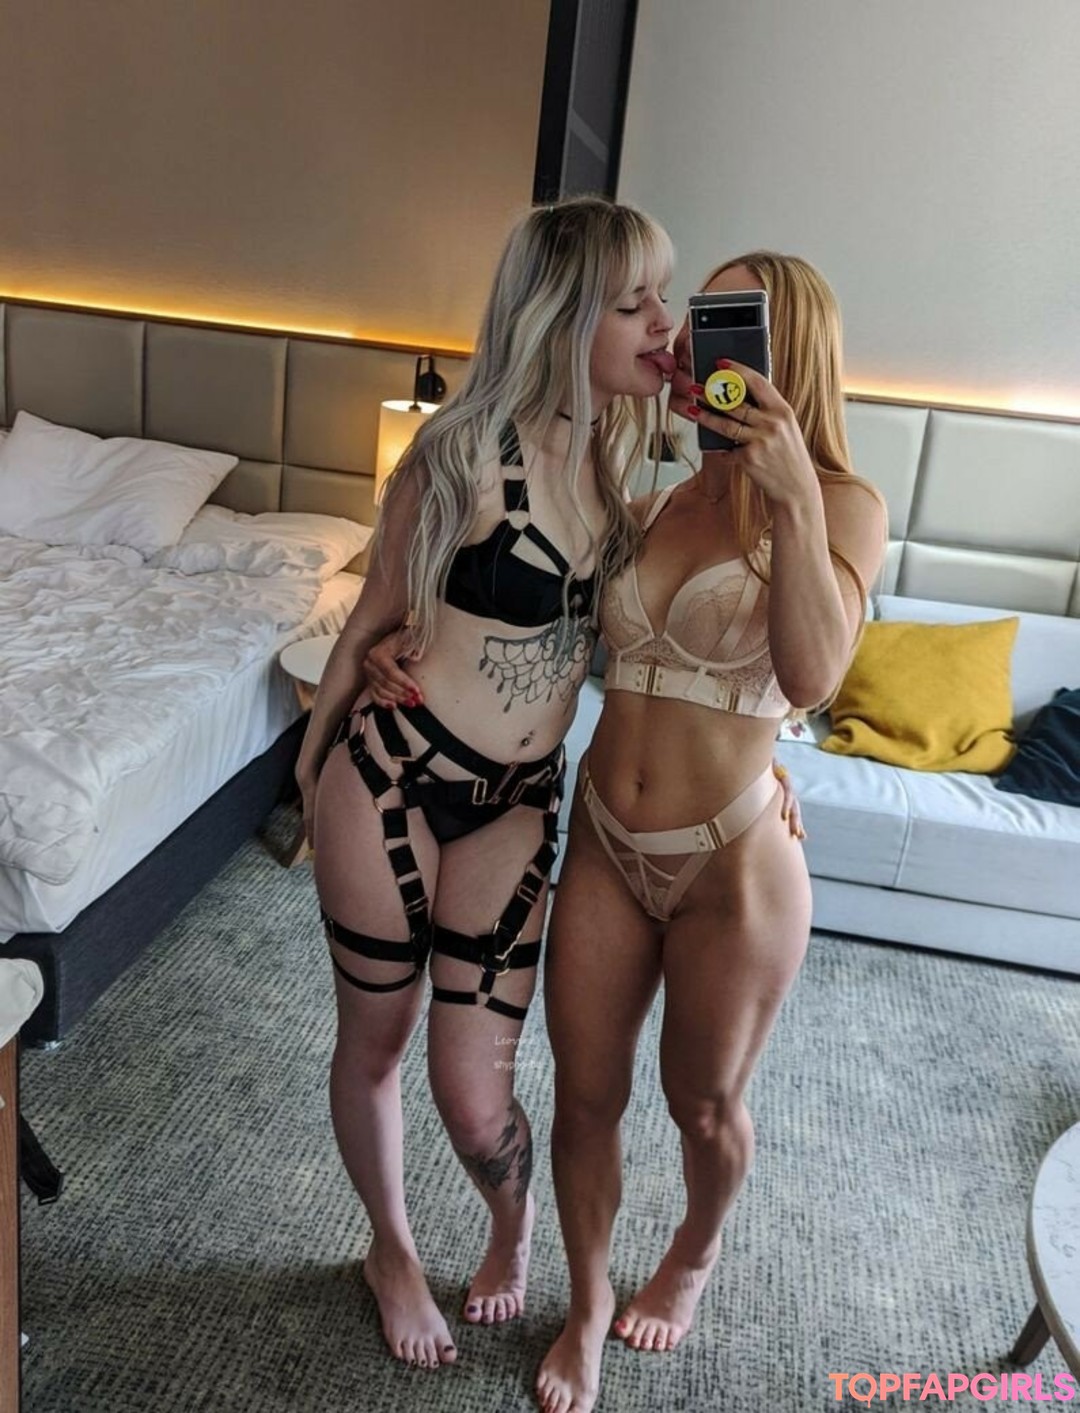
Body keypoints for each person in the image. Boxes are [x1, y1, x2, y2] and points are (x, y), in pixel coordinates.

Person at [293, 196, 679, 1370]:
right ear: (564, 318)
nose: (664, 321)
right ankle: (392, 1250)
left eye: (663, 296)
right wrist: (309, 772)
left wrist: (767, 763)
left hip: (514, 803)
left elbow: (687, 655)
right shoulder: (456, 456)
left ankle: (511, 1230)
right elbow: (369, 621)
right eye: (636, 303)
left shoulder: (625, 469)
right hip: (389, 779)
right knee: (376, 1038)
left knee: (474, 1092)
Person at [532, 252, 888, 1413]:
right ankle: (586, 1305)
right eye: (699, 317)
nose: (696, 340)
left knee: (704, 1105)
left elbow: (813, 676)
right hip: (603, 840)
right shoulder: (654, 493)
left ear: (790, 354)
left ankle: (693, 1252)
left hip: (733, 864)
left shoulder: (843, 502)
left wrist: (789, 497)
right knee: (584, 1097)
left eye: (733, 322)